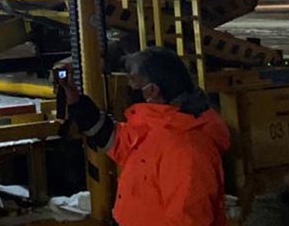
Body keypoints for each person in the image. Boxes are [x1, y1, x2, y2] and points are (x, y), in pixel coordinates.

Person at [64, 47, 231, 226]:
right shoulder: (158, 128)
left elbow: (187, 220)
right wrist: (77, 103)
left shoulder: (186, 149)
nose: (128, 85)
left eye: (133, 79)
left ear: (152, 90)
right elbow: (119, 141)